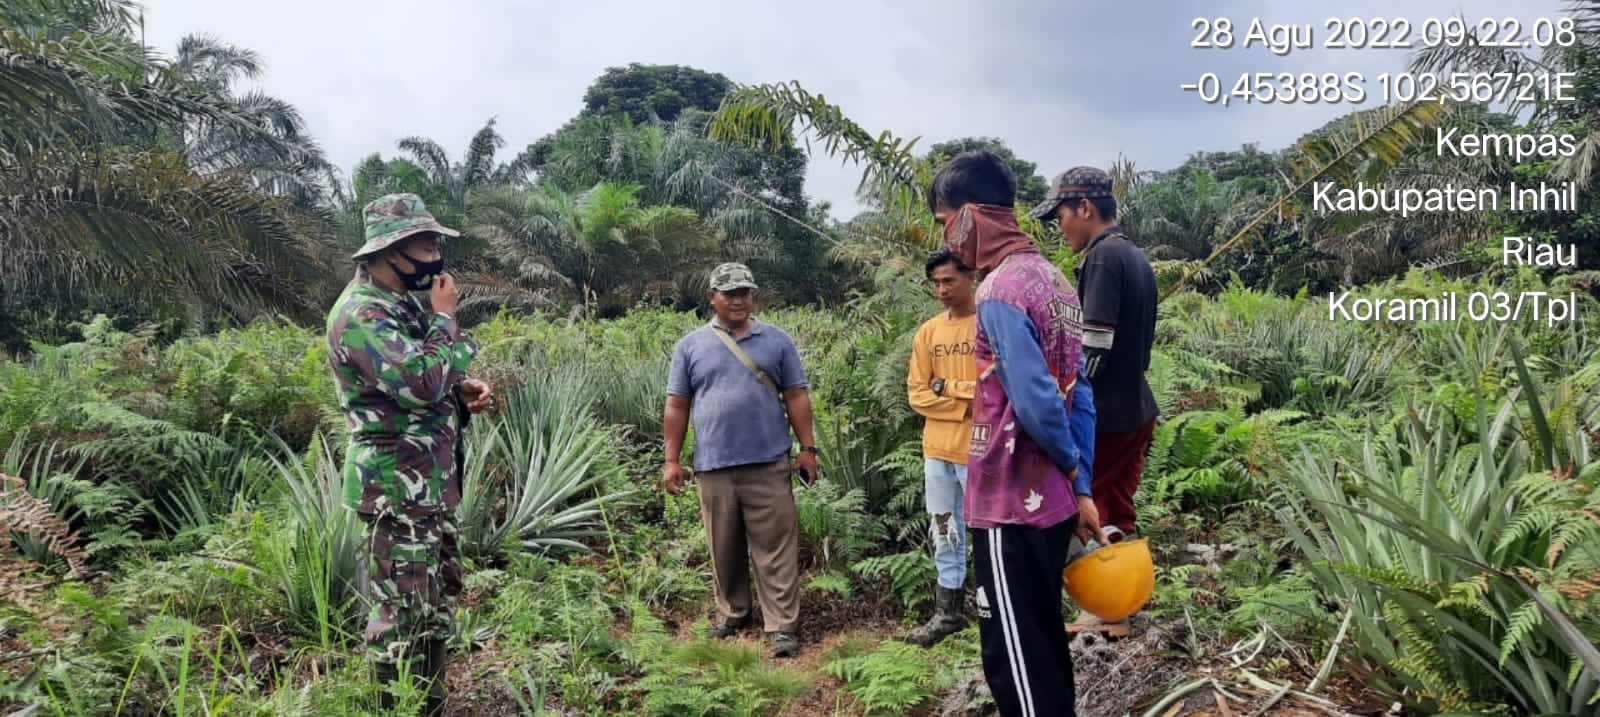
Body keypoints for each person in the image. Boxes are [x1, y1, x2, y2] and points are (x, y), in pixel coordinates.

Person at [931, 151, 1104, 716]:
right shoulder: (1052, 278)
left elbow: (1034, 400)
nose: (947, 241)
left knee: (1013, 650)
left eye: (944, 223)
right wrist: (1079, 485)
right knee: (1042, 635)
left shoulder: (999, 290)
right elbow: (1079, 392)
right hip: (1049, 497)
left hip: (1009, 498)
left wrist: (1074, 471)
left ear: (971, 216)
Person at [326, 193, 495, 715]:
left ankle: (431, 705)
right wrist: (447, 321)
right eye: (424, 243)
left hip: (424, 485)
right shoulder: (361, 313)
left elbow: (428, 379)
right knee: (401, 614)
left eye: (435, 241)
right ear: (387, 250)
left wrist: (460, 389)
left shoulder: (399, 305)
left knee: (432, 604)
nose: (435, 253)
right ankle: (398, 707)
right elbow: (418, 382)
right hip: (395, 489)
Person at [661, 262, 820, 659]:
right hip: (714, 464)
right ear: (712, 297)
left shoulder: (777, 340)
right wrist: (671, 460)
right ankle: (734, 613)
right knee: (723, 545)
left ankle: (781, 626)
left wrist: (807, 449)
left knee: (776, 547)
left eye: (745, 292)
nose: (738, 300)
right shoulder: (691, 346)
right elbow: (677, 405)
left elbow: (796, 395)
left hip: (768, 460)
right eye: (729, 293)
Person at [1029, 167, 1159, 632]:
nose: (1059, 226)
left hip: (1106, 415)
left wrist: (1061, 408)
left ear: (1084, 209)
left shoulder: (1103, 258)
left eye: (1060, 215)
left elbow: (1093, 350)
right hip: (1136, 407)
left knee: (1093, 509)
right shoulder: (1134, 256)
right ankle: (1120, 606)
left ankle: (1107, 609)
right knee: (1118, 507)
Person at [904, 248, 979, 648]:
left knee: (986, 532)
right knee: (945, 528)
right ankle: (948, 612)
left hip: (980, 453)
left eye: (949, 280)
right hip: (937, 451)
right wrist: (964, 404)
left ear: (971, 276)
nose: (942, 289)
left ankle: (992, 608)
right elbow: (917, 394)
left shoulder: (988, 323)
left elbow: (993, 391)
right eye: (936, 283)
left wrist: (947, 389)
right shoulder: (929, 332)